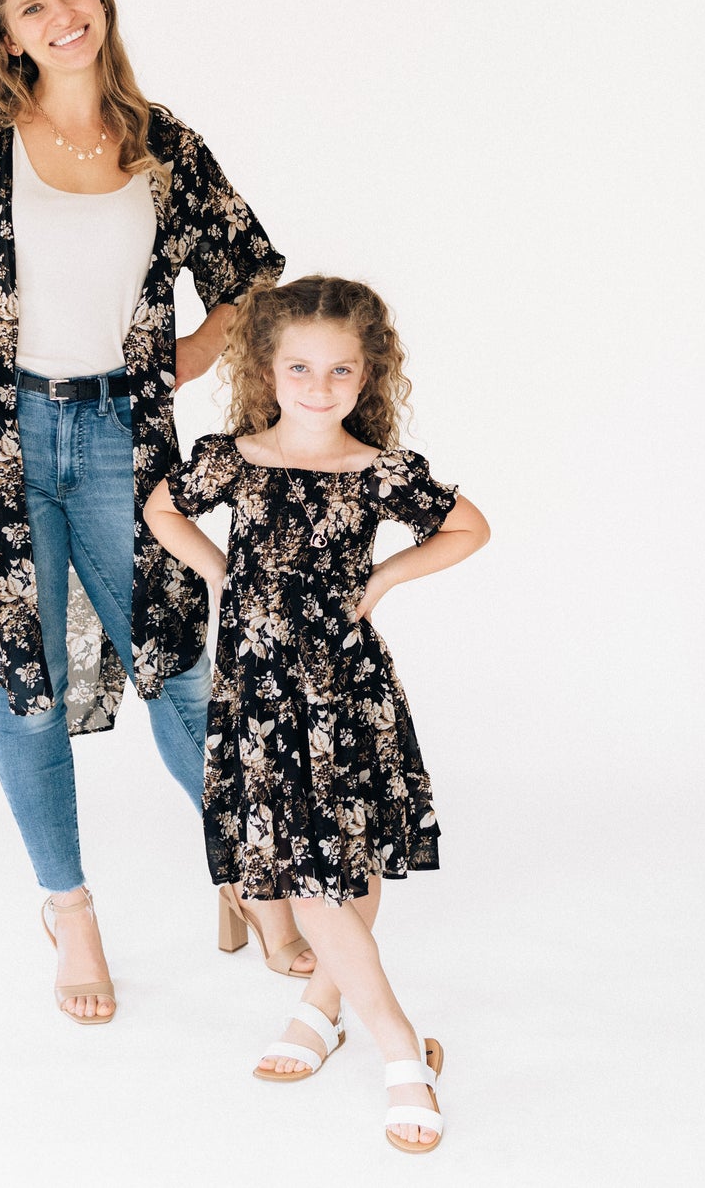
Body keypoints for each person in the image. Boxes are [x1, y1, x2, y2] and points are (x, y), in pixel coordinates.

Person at [0, 0, 311, 1026]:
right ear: (4, 32)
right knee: (25, 688)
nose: (61, 15)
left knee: (178, 664)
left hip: (124, 437)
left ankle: (248, 870)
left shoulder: (155, 141)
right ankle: (68, 907)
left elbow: (250, 268)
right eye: (32, 6)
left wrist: (191, 350)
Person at [144, 275, 490, 1152]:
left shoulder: (375, 470)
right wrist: (221, 573)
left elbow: (468, 527)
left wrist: (382, 578)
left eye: (340, 370)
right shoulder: (234, 456)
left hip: (346, 688)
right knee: (307, 872)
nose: (319, 384)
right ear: (267, 365)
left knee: (350, 854)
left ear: (368, 375)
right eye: (299, 366)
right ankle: (401, 1046)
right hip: (259, 694)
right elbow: (161, 508)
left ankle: (323, 1007)